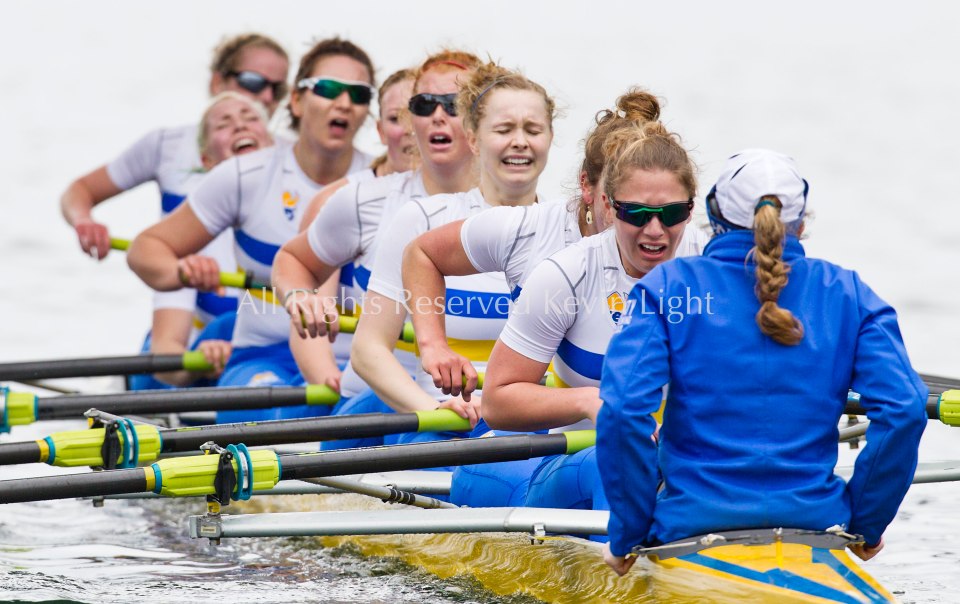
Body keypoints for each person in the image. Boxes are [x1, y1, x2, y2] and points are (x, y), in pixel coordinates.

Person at [597, 149, 928, 574]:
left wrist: (628, 535)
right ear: (801, 222)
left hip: (690, 530)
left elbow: (624, 411)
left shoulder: (668, 288)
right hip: (816, 527)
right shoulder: (849, 293)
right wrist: (866, 524)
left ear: (713, 215)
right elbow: (904, 409)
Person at [401, 89, 683, 506]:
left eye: (666, 209)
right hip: (529, 435)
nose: (651, 224)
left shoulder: (692, 257)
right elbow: (420, 253)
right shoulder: (530, 234)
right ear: (591, 189)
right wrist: (433, 347)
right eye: (627, 204)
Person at [127, 37, 376, 421]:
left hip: (354, 365)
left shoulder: (382, 183)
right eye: (328, 89)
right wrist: (181, 272)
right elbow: (147, 248)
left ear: (366, 113)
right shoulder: (247, 175)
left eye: (358, 95)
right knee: (280, 414)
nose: (343, 103)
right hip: (262, 356)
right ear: (295, 101)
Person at [480, 118, 707, 516]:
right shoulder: (565, 275)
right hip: (576, 468)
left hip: (683, 466)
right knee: (615, 459)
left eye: (671, 214)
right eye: (636, 213)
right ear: (608, 205)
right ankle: (627, 559)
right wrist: (590, 401)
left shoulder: (710, 268)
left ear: (691, 208)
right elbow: (497, 402)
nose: (655, 230)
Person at [59, 33, 289, 389]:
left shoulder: (299, 182)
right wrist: (84, 221)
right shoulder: (185, 250)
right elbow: (81, 190)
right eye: (254, 83)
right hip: (194, 341)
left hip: (267, 354)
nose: (266, 98)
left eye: (278, 88)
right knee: (215, 332)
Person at [348, 62, 559, 447]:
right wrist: (430, 410)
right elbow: (367, 350)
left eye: (532, 130)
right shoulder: (423, 219)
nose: (520, 142)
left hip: (534, 431)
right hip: (441, 426)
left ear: (549, 138)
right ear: (474, 140)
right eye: (504, 130)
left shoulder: (571, 230)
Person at [273, 51, 481, 414]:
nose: (437, 116)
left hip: (485, 412)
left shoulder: (530, 212)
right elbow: (292, 260)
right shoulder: (363, 201)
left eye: (453, 104)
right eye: (424, 104)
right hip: (375, 407)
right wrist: (299, 298)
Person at [131, 91, 275, 389]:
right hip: (197, 373)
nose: (240, 126)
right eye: (224, 124)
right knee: (226, 326)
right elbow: (166, 356)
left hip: (275, 361)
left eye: (250, 118)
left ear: (274, 146)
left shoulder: (308, 213)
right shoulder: (188, 238)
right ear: (208, 160)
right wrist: (198, 362)